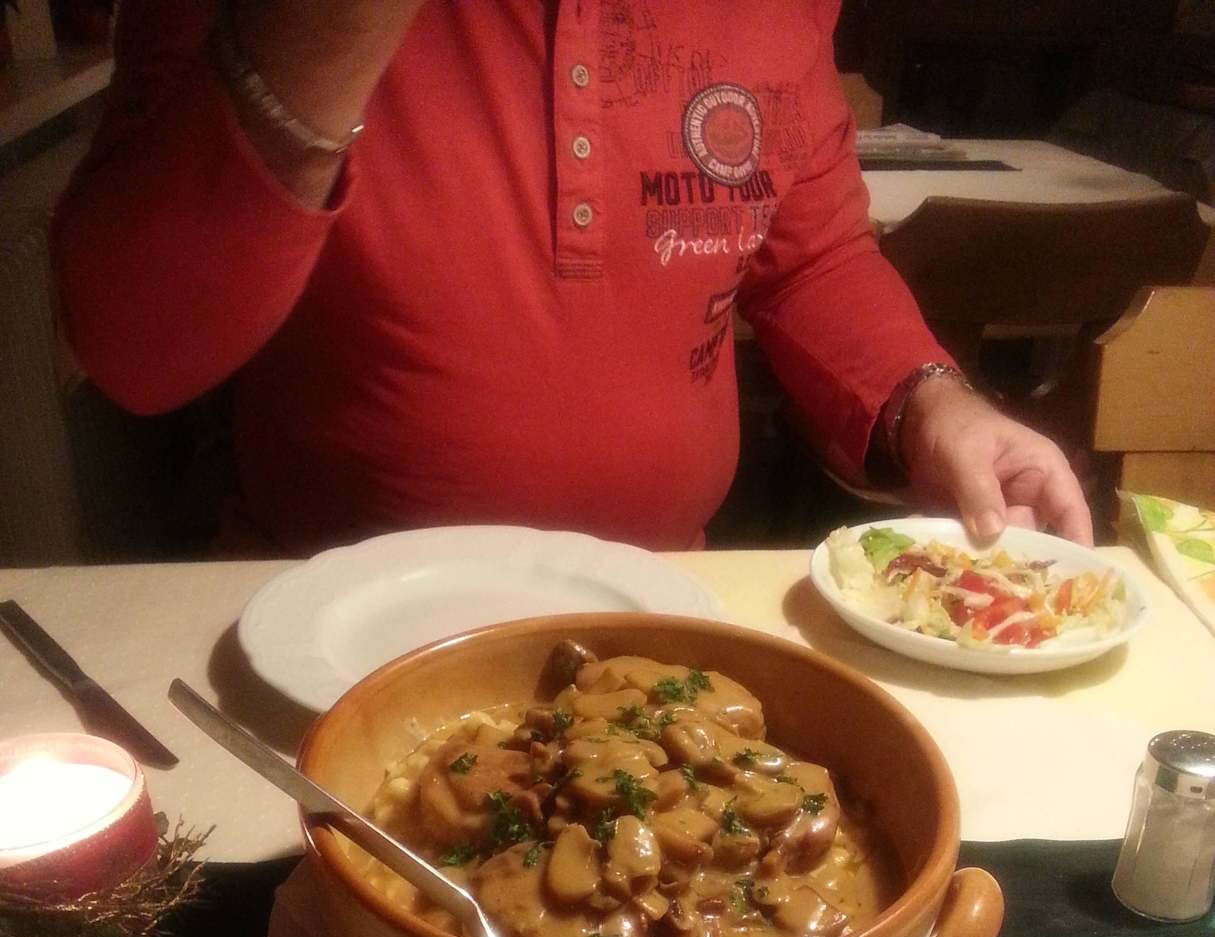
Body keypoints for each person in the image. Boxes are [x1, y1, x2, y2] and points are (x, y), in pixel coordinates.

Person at [51, 0, 1094, 555]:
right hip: (312, 617)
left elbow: (810, 257)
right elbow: (135, 351)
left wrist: (930, 402)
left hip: (657, 615)